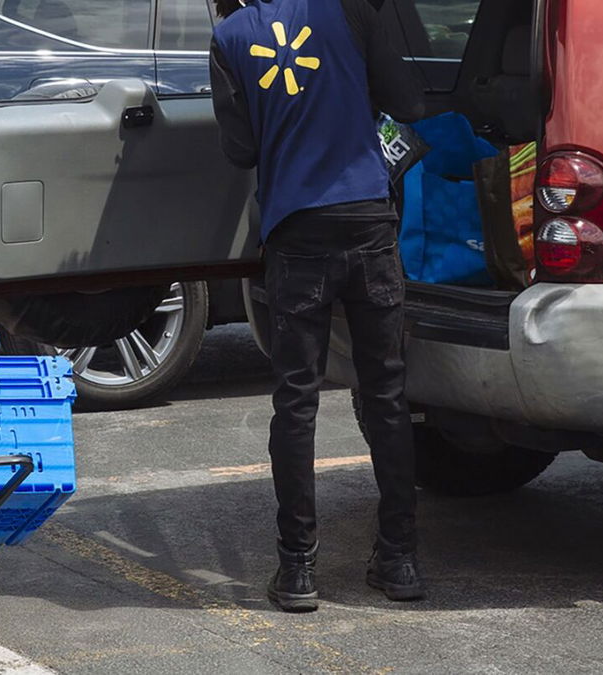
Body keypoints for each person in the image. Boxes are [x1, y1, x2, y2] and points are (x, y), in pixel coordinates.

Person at [209, 0, 427, 612]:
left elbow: (240, 149)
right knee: (386, 393)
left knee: (296, 400)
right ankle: (400, 559)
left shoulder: (229, 35)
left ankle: (298, 568)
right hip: (368, 224)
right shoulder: (353, 8)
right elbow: (408, 105)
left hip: (296, 231)